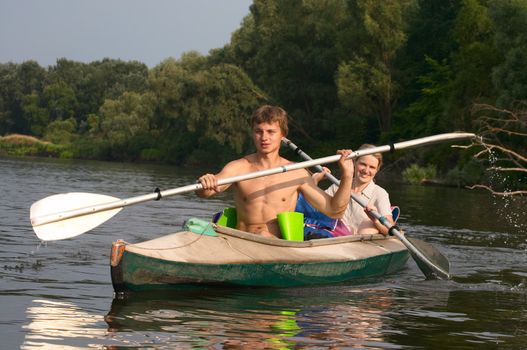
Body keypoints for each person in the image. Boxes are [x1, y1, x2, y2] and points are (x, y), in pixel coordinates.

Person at [196, 105, 354, 239]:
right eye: (259, 131)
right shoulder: (238, 167)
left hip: (275, 244)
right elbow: (206, 193)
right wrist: (205, 183)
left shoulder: (296, 172)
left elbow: (334, 211)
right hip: (241, 240)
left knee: (265, 237)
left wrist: (347, 175)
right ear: (253, 133)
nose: (264, 137)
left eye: (271, 132)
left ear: (282, 136)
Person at [313, 144, 394, 236]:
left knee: (368, 228)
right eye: (363, 164)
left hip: (360, 246)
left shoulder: (380, 193)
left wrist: (375, 220)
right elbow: (315, 208)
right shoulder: (337, 185)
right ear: (354, 162)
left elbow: (390, 228)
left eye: (372, 167)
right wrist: (315, 181)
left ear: (377, 170)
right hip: (334, 240)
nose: (366, 170)